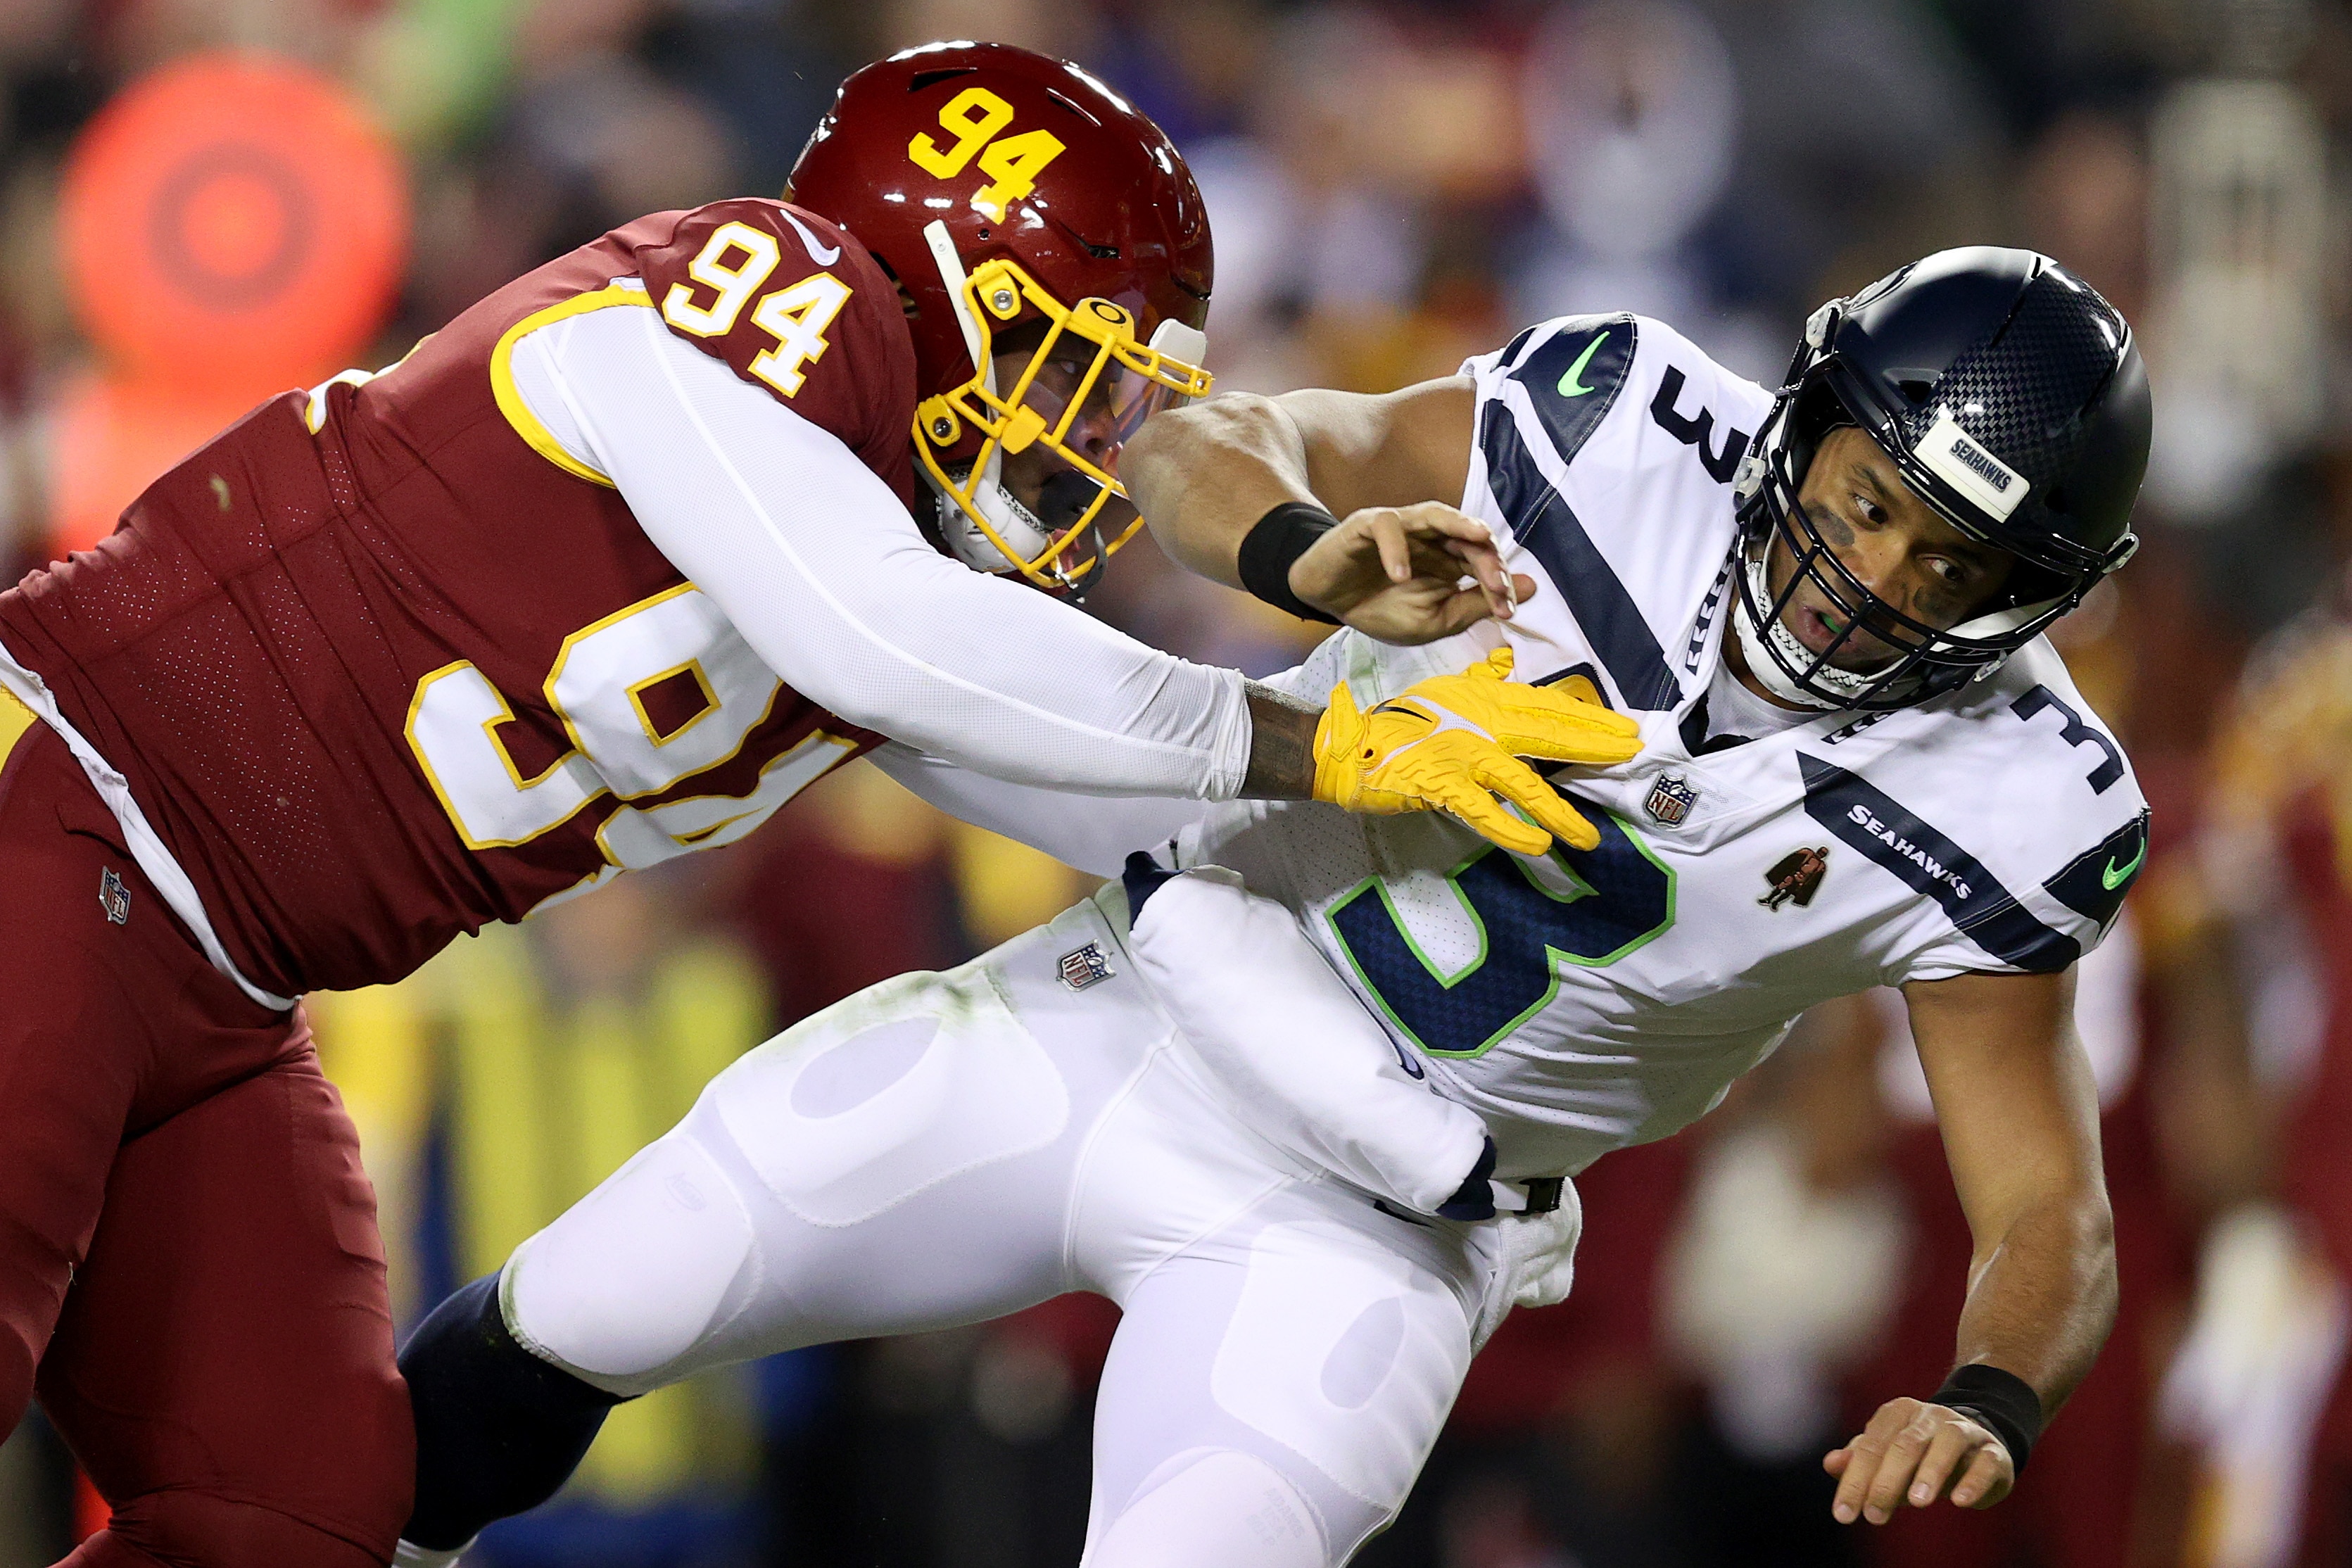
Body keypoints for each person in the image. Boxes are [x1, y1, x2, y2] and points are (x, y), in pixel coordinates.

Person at [0, 42, 1640, 1568]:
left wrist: (1495, 825)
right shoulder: (777, 299)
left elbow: (1108, 796)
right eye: (1072, 372)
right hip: (58, 804)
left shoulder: (876, 554)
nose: (1089, 439)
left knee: (297, 1515)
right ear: (945, 283)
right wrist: (1300, 739)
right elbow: (893, 640)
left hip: (215, 986)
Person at [393, 246, 2149, 1566]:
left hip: (1379, 1226)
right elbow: (1202, 442)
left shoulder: (2011, 803)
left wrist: (1986, 1391)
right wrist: (1302, 549)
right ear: (1808, 425)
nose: (1881, 581)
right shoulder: (1623, 429)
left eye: (1959, 565)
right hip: (1131, 998)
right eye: (1871, 505)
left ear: (2034, 598)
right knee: (594, 1298)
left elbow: (2047, 1208)